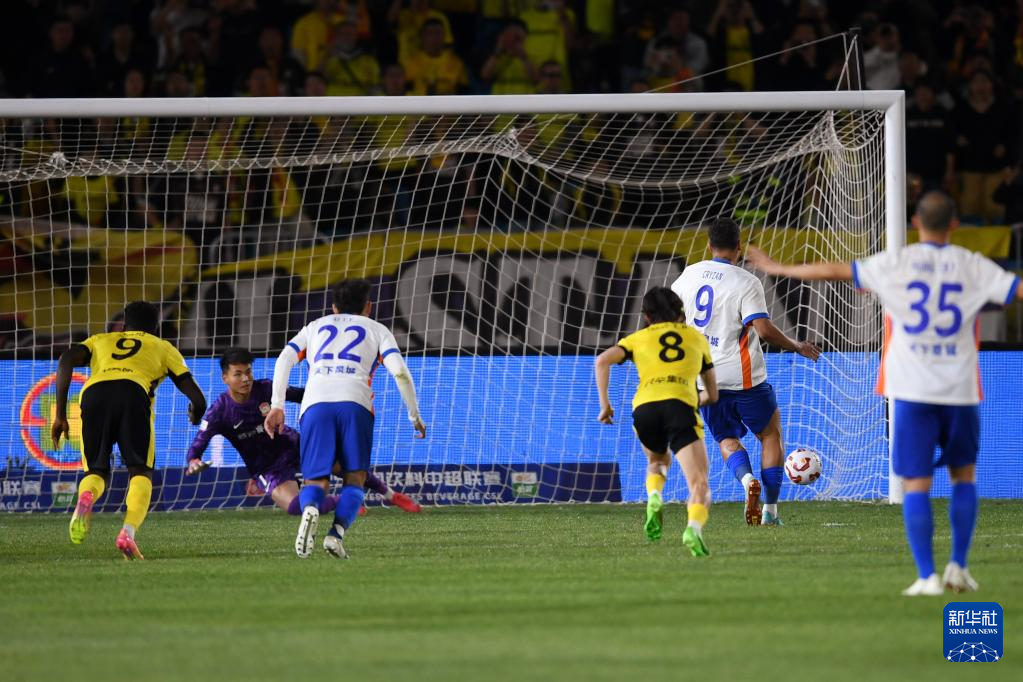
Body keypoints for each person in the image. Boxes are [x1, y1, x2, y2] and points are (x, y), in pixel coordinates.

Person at [745, 191, 1023, 596]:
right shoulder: (973, 264)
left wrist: (778, 267)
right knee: (964, 478)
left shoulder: (897, 263)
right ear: (955, 225)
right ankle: (959, 568)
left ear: (915, 223)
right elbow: (1017, 290)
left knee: (916, 483)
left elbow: (835, 270)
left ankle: (927, 577)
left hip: (911, 390)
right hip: (960, 389)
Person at [671, 218, 821, 526]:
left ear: (709, 246)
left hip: (705, 379)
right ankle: (770, 511)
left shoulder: (688, 275)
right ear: (739, 247)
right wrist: (796, 345)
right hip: (745, 378)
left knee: (726, 437)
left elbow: (674, 320)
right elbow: (763, 330)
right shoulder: (746, 281)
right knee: (770, 435)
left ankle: (746, 480)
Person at [265, 279, 427, 559]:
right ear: (368, 306)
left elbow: (284, 359)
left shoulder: (314, 326)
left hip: (314, 404)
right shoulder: (377, 330)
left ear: (334, 307)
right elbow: (400, 372)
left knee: (316, 480)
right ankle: (335, 535)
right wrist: (414, 416)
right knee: (355, 477)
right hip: (355, 404)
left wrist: (277, 405)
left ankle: (311, 508)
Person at [51, 301, 207, 560]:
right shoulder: (163, 347)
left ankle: (86, 497)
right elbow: (198, 399)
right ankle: (127, 533)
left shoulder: (100, 339)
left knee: (96, 471)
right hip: (133, 393)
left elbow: (66, 358)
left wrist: (60, 414)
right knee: (140, 472)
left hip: (94, 394)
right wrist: (195, 414)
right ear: (156, 327)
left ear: (124, 325)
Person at [185, 348, 421, 514]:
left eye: (248, 372)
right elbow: (198, 444)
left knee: (345, 466)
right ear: (225, 378)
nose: (246, 379)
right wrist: (194, 460)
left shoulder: (266, 388)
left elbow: (303, 394)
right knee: (296, 507)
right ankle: (342, 501)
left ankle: (392, 496)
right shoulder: (219, 411)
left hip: (293, 444)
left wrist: (345, 394)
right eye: (238, 374)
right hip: (266, 467)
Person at [594, 287, 718, 557]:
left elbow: (602, 360)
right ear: (680, 312)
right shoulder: (696, 338)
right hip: (680, 407)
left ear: (647, 317)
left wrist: (605, 405)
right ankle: (693, 529)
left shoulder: (637, 339)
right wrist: (689, 400)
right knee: (699, 484)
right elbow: (712, 395)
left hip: (644, 409)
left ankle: (654, 497)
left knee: (658, 460)